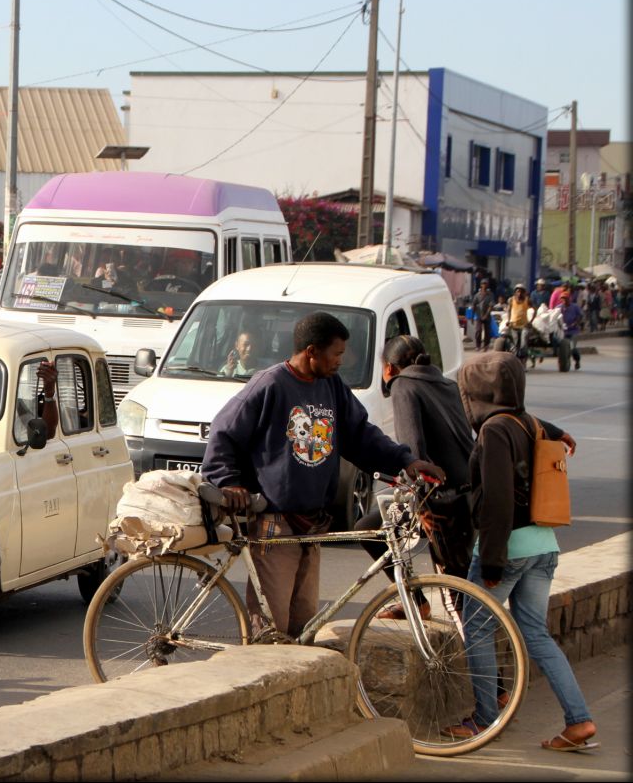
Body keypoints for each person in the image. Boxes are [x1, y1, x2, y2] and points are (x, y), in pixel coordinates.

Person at [201, 312, 445, 638]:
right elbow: (224, 432)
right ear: (312, 351)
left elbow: (361, 435)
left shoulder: (331, 386)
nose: (340, 361)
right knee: (271, 628)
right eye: (337, 354)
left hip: (312, 522)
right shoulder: (270, 385)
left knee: (305, 625)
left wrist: (406, 462)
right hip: (277, 522)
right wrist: (228, 480)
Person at [452, 351, 597, 752]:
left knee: (477, 627)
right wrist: (559, 431)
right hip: (543, 545)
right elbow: (539, 429)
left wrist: (494, 559)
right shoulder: (530, 424)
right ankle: (579, 720)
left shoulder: (494, 430)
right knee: (535, 633)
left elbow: (497, 499)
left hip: (509, 548)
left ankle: (483, 719)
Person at [353, 335, 475, 619]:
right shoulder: (448, 384)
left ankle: (417, 602)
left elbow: (414, 452)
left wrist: (421, 502)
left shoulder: (403, 385)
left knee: (456, 601)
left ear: (389, 368)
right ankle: (414, 600)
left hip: (439, 498)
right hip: (466, 493)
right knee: (376, 527)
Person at [505, 284, 533, 358]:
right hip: (514, 325)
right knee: (515, 343)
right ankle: (515, 359)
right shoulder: (511, 300)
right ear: (515, 292)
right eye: (517, 291)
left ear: (524, 292)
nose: (519, 293)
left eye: (521, 292)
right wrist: (508, 320)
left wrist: (531, 322)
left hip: (524, 325)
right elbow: (509, 310)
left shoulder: (527, 300)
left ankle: (523, 360)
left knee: (523, 344)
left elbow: (535, 310)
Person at [558, 292, 583, 370]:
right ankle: (564, 361)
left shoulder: (575, 307)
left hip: (573, 331)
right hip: (563, 331)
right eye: (563, 299)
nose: (564, 300)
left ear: (569, 299)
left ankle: (577, 360)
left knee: (572, 347)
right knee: (563, 347)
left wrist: (575, 323)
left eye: (566, 298)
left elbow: (580, 316)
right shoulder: (559, 308)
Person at [471, 280, 495, 352]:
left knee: (487, 331)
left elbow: (491, 306)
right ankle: (478, 345)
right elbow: (474, 305)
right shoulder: (477, 295)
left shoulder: (490, 295)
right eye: (483, 284)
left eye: (485, 284)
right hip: (479, 315)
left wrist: (486, 315)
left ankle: (486, 345)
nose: (484, 285)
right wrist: (472, 316)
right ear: (481, 285)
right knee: (478, 330)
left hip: (487, 316)